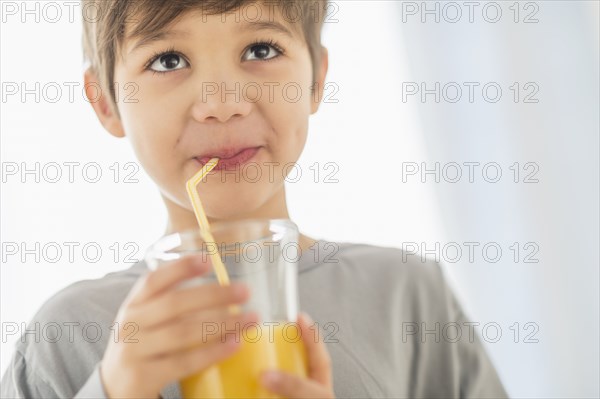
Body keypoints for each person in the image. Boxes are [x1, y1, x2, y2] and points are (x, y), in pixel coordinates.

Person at [1, 0, 509, 398]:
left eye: (260, 50)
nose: (222, 104)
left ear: (316, 79)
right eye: (168, 60)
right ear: (105, 102)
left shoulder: (407, 295)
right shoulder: (66, 336)